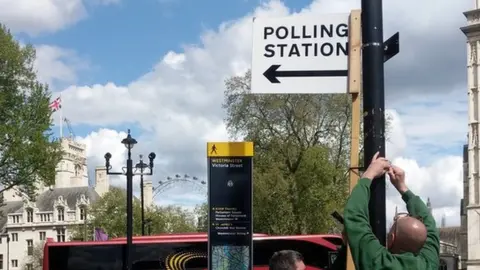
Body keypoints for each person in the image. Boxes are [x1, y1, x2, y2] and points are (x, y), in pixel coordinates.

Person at [343, 152, 440, 269]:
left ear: (392, 238)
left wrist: (369, 174)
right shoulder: (430, 264)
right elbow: (429, 224)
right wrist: (403, 187)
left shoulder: (379, 263)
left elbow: (355, 217)